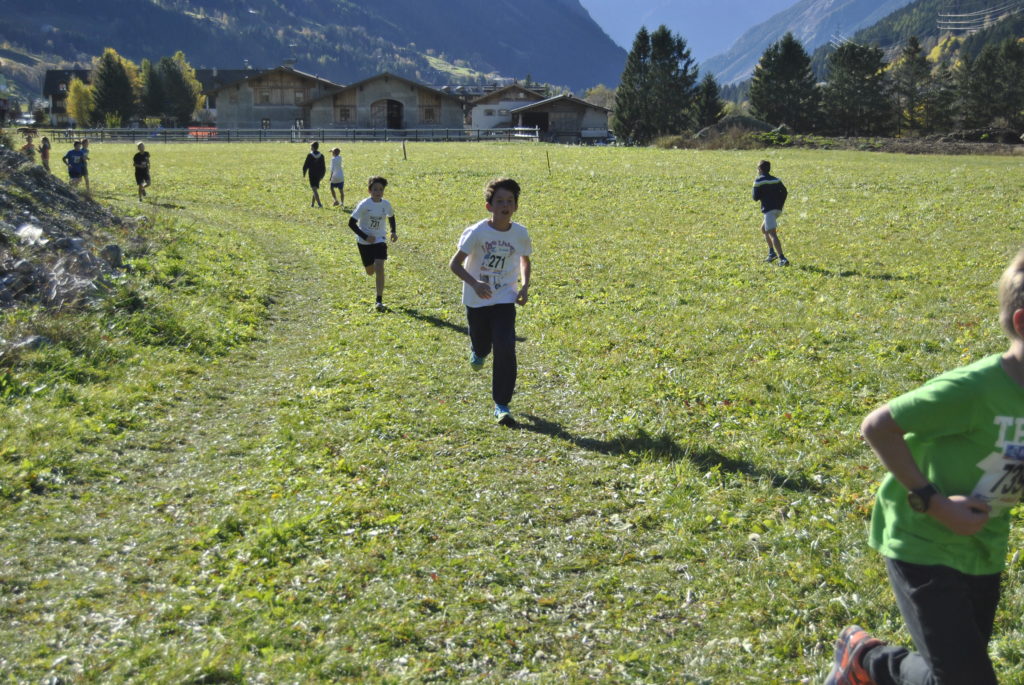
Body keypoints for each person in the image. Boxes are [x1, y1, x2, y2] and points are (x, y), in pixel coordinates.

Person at [826, 248, 1024, 685]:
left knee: (950, 675)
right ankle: (868, 658)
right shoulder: (974, 389)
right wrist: (934, 502)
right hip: (923, 540)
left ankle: (866, 662)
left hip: (982, 544)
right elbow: (878, 427)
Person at [449, 178, 532, 427]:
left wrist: (525, 285)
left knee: (505, 345)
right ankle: (478, 351)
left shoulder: (520, 233)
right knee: (483, 344)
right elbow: (455, 264)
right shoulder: (477, 232)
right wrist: (475, 283)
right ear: (489, 206)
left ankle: (502, 404)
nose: (505, 205)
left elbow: (525, 260)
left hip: (505, 297)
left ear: (516, 206)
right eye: (500, 201)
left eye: (510, 201)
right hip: (477, 299)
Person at [348, 176, 397, 311]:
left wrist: (393, 231)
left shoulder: (386, 204)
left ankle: (379, 301)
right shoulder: (364, 204)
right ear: (369, 190)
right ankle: (373, 267)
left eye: (381, 189)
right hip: (364, 242)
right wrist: (365, 237)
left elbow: (391, 216)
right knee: (370, 271)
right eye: (375, 189)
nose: (378, 192)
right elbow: (351, 223)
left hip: (380, 239)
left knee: (380, 266)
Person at [752, 160, 789, 266]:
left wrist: (763, 194)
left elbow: (755, 197)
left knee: (772, 234)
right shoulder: (776, 180)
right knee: (764, 229)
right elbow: (784, 192)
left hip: (769, 210)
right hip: (778, 209)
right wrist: (780, 203)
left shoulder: (758, 181)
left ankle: (782, 258)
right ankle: (771, 253)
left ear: (759, 169)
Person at [302, 141, 326, 208]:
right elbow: (323, 167)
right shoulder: (321, 156)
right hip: (319, 174)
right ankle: (312, 204)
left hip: (312, 174)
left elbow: (305, 165)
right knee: (315, 189)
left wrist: (304, 173)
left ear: (312, 147)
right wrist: (322, 175)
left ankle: (319, 204)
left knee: (314, 190)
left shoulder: (310, 155)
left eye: (311, 146)